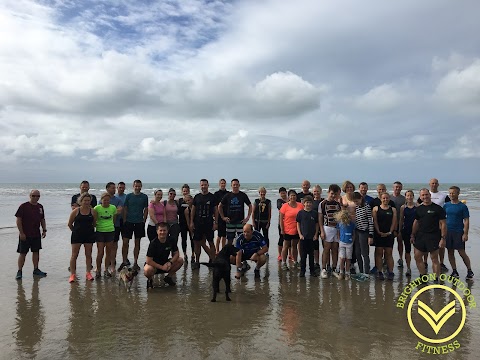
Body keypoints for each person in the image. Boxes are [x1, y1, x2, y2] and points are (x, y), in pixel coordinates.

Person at [410, 188, 447, 280]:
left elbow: (443, 224)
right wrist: (412, 234)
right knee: (417, 257)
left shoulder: (438, 208)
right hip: (420, 236)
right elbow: (416, 222)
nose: (425, 197)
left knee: (434, 258)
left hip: (433, 236)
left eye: (426, 194)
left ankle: (436, 278)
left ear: (430, 195)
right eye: (422, 195)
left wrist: (443, 238)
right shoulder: (418, 209)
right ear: (420, 197)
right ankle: (423, 276)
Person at [417, 178, 451, 273]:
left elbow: (449, 205)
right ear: (429, 184)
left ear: (438, 184)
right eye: (432, 183)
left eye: (436, 183)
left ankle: (442, 263)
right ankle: (425, 262)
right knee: (425, 248)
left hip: (438, 225)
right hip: (425, 227)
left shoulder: (443, 195)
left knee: (439, 248)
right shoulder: (425, 195)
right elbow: (418, 206)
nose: (434, 185)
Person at [15, 190, 47, 280]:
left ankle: (36, 269)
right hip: (25, 234)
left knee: (36, 252)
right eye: (33, 196)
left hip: (36, 234)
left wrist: (44, 230)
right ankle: (19, 271)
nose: (36, 197)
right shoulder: (23, 206)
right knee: (23, 253)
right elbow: (18, 220)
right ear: (30, 196)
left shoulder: (40, 207)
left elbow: (42, 219)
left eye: (38, 196)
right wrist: (21, 233)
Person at [444, 186, 474, 280]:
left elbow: (466, 220)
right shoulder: (446, 205)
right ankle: (454, 271)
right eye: (450, 193)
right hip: (448, 232)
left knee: (461, 252)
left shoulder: (462, 206)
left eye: (453, 193)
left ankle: (469, 270)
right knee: (450, 252)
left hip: (458, 232)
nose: (451, 195)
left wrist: (465, 233)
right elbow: (443, 219)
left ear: (458, 193)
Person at [119, 180, 148, 272]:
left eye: (139, 186)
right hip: (128, 222)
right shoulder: (128, 196)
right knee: (125, 242)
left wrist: (144, 219)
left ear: (141, 186)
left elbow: (146, 209)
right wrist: (124, 219)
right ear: (133, 186)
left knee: (137, 243)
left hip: (139, 222)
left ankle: (135, 262)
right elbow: (125, 208)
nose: (137, 188)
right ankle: (124, 261)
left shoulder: (144, 197)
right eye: (136, 186)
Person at [144, 222, 184, 289]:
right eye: (160, 230)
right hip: (154, 266)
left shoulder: (171, 240)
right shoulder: (153, 243)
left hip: (166, 263)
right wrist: (161, 267)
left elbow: (176, 253)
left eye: (164, 230)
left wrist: (170, 262)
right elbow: (148, 260)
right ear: (157, 231)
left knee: (180, 260)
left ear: (167, 231)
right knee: (147, 269)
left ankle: (168, 277)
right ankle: (150, 280)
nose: (162, 232)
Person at [67, 193, 97, 282]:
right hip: (77, 235)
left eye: (88, 200)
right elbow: (69, 224)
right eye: (85, 200)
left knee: (88, 255)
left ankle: (88, 273)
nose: (87, 202)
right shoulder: (76, 211)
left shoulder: (93, 211)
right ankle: (73, 274)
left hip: (89, 235)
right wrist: (75, 231)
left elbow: (94, 223)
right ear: (81, 201)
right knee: (74, 255)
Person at [190, 179, 218, 269]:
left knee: (211, 242)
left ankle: (213, 261)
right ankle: (197, 262)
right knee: (197, 243)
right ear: (200, 186)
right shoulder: (197, 197)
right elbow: (193, 210)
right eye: (202, 185)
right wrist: (191, 222)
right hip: (198, 223)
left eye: (205, 185)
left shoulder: (212, 197)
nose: (203, 187)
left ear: (208, 185)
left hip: (209, 223)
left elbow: (216, 210)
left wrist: (216, 223)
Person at [218, 179, 252, 245]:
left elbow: (250, 206)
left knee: (242, 240)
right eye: (234, 185)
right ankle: (230, 254)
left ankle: (241, 254)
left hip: (240, 222)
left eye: (237, 185)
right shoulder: (227, 195)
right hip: (230, 222)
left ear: (239, 185)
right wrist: (223, 217)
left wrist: (247, 218)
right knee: (229, 241)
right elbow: (220, 206)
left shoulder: (243, 195)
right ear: (231, 186)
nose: (235, 186)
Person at [372, 192, 397, 281]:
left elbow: (394, 222)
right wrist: (379, 231)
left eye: (387, 198)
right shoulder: (375, 209)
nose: (385, 200)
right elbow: (374, 221)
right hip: (378, 234)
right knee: (379, 253)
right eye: (384, 198)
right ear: (381, 199)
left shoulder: (393, 209)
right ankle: (379, 272)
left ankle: (390, 272)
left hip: (389, 234)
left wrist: (390, 232)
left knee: (389, 253)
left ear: (389, 199)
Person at [319, 184, 342, 278]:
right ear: (328, 192)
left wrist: (339, 230)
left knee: (335, 249)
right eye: (332, 193)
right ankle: (324, 269)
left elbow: (340, 218)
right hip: (327, 228)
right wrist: (322, 231)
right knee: (326, 249)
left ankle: (334, 268)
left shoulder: (338, 204)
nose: (333, 195)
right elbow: (320, 218)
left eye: (335, 194)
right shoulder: (323, 203)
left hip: (336, 229)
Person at [93, 193, 117, 278]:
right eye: (104, 200)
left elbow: (114, 219)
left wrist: (110, 226)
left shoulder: (113, 207)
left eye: (108, 200)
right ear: (101, 200)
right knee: (100, 252)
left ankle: (106, 270)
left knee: (108, 252)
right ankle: (98, 270)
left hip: (110, 231)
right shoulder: (97, 208)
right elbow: (94, 220)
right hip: (100, 231)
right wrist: (99, 226)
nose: (106, 201)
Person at [279, 190, 304, 270]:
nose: (293, 197)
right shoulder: (285, 206)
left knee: (294, 246)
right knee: (285, 246)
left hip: (297, 229)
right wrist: (282, 229)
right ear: (288, 197)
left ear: (296, 197)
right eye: (291, 196)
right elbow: (280, 219)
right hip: (287, 229)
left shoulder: (300, 205)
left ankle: (295, 261)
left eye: (294, 195)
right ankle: (283, 262)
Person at [296, 195, 319, 277]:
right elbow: (298, 224)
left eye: (310, 203)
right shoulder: (300, 213)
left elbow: (317, 224)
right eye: (307, 203)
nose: (308, 204)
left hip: (312, 238)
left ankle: (312, 271)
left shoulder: (314, 213)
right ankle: (302, 271)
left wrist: (316, 234)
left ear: (312, 204)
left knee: (311, 255)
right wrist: (300, 234)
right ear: (303, 204)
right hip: (303, 237)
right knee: (303, 255)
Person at [353, 191, 374, 274]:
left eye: (357, 201)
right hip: (357, 231)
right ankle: (361, 271)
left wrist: (370, 235)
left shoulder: (367, 207)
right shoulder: (356, 207)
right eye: (354, 201)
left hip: (364, 232)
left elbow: (370, 221)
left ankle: (366, 273)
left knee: (364, 253)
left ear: (361, 198)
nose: (356, 203)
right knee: (357, 253)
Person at [104, 182, 123, 272]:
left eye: (115, 188)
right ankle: (103, 265)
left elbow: (119, 211)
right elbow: (99, 211)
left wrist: (110, 211)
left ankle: (112, 265)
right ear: (107, 189)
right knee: (103, 247)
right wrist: (113, 210)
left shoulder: (118, 199)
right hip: (103, 227)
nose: (114, 189)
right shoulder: (102, 199)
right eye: (112, 188)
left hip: (116, 225)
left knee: (114, 245)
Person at [334, 209, 355, 280]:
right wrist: (339, 239)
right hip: (342, 243)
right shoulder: (340, 223)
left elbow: (353, 233)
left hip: (349, 243)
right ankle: (341, 272)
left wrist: (352, 240)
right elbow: (338, 232)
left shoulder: (352, 224)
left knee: (348, 258)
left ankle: (347, 273)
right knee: (342, 258)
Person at [398, 190, 416, 277]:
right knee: (407, 250)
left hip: (416, 231)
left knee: (417, 251)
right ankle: (408, 268)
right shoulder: (403, 207)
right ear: (405, 197)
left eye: (411, 195)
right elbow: (401, 219)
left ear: (413, 196)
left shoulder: (418, 206)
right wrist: (400, 231)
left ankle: (421, 266)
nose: (409, 197)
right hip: (406, 231)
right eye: (408, 196)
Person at [390, 181, 406, 269]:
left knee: (400, 242)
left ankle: (400, 258)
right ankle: (387, 259)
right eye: (396, 187)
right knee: (389, 244)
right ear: (393, 188)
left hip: (401, 224)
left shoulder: (404, 199)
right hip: (390, 224)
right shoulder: (389, 198)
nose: (398, 188)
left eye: (399, 187)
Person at [112, 182, 126, 267]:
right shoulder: (114, 197)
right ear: (117, 187)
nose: (121, 189)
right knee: (114, 242)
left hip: (124, 221)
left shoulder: (126, 197)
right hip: (114, 222)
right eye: (120, 187)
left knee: (125, 242)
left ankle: (124, 259)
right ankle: (113, 259)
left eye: (123, 188)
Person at [214, 179, 229, 254]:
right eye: (221, 183)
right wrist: (215, 217)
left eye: (224, 183)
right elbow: (215, 206)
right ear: (219, 184)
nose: (223, 184)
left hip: (227, 216)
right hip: (219, 216)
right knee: (219, 235)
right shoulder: (216, 194)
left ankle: (223, 250)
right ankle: (217, 250)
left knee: (224, 235)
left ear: (225, 184)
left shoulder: (228, 193)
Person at [178, 184, 192, 262]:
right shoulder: (179, 201)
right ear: (182, 192)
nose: (185, 192)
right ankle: (185, 254)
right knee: (184, 239)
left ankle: (193, 255)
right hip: (182, 223)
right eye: (184, 191)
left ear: (189, 191)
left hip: (191, 223)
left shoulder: (192, 200)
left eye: (186, 191)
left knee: (192, 239)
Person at [312, 184, 324, 271]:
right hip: (313, 227)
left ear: (321, 192)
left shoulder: (324, 201)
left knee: (326, 246)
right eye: (315, 191)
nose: (316, 193)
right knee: (315, 247)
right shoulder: (311, 202)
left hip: (324, 227)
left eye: (317, 191)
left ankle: (326, 264)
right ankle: (316, 263)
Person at [276, 187, 288, 262]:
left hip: (289, 222)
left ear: (286, 193)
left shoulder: (290, 200)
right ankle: (280, 254)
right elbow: (279, 207)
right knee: (281, 238)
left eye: (284, 193)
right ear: (280, 194)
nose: (283, 194)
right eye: (281, 193)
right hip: (281, 222)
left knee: (289, 239)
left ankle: (290, 255)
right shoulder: (279, 201)